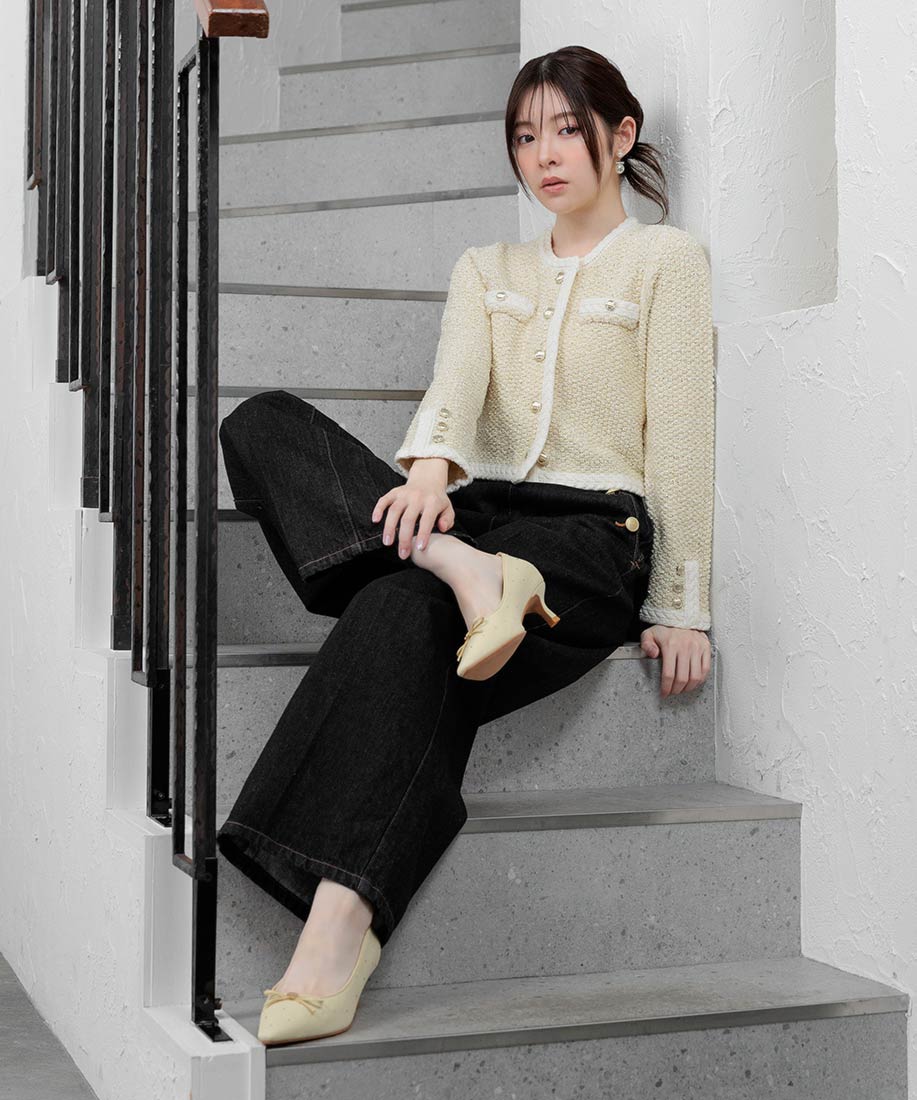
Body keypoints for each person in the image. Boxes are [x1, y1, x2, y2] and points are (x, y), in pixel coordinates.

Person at [215, 44, 715, 1046]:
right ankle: (460, 565)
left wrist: (679, 604)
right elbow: (452, 387)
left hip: (592, 534)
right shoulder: (486, 269)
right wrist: (429, 481)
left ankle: (335, 928)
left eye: (565, 129)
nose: (543, 154)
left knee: (391, 606)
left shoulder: (666, 261)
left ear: (619, 135)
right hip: (475, 515)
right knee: (257, 421)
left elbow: (680, 437)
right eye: (524, 136)